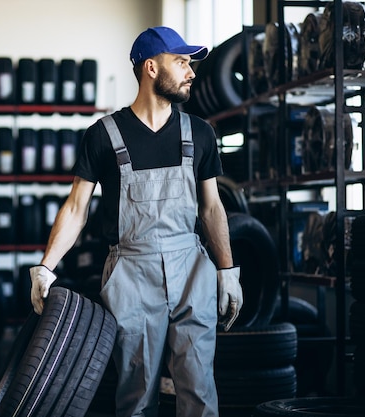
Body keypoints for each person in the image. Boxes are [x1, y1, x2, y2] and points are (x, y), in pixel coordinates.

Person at [29, 26, 243, 417]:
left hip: (191, 271)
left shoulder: (200, 133)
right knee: (135, 397)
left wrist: (228, 270)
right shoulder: (103, 136)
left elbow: (211, 208)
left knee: (199, 392)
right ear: (150, 68)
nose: (191, 72)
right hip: (130, 274)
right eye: (181, 62)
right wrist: (46, 267)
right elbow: (76, 207)